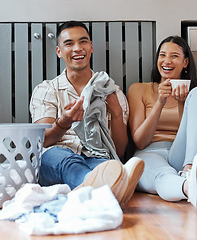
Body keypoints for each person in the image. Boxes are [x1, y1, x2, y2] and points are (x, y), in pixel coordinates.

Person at [30, 20, 144, 206]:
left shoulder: (111, 91)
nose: (77, 48)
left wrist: (115, 113)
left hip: (96, 156)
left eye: (83, 42)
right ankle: (109, 189)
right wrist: (64, 122)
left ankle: (105, 187)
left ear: (91, 47)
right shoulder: (47, 90)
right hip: (57, 157)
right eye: (69, 44)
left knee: (108, 166)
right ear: (59, 52)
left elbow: (120, 150)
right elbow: (42, 141)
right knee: (67, 162)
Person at [127, 35, 197, 210]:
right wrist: (160, 102)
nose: (167, 61)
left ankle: (191, 171)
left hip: (183, 156)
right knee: (164, 175)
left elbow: (190, 133)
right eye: (162, 55)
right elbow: (140, 141)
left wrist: (182, 103)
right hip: (150, 153)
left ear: (185, 62)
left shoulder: (194, 96)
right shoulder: (139, 89)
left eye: (174, 56)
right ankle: (190, 187)